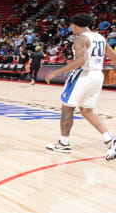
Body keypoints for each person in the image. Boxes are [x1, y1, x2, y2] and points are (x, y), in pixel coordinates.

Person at [45, 13, 116, 160]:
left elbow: (80, 61)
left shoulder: (81, 39)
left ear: (75, 25)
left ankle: (64, 143)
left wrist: (56, 73)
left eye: (71, 25)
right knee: (87, 110)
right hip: (98, 75)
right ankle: (110, 139)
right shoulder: (101, 38)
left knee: (67, 107)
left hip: (83, 75)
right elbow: (113, 57)